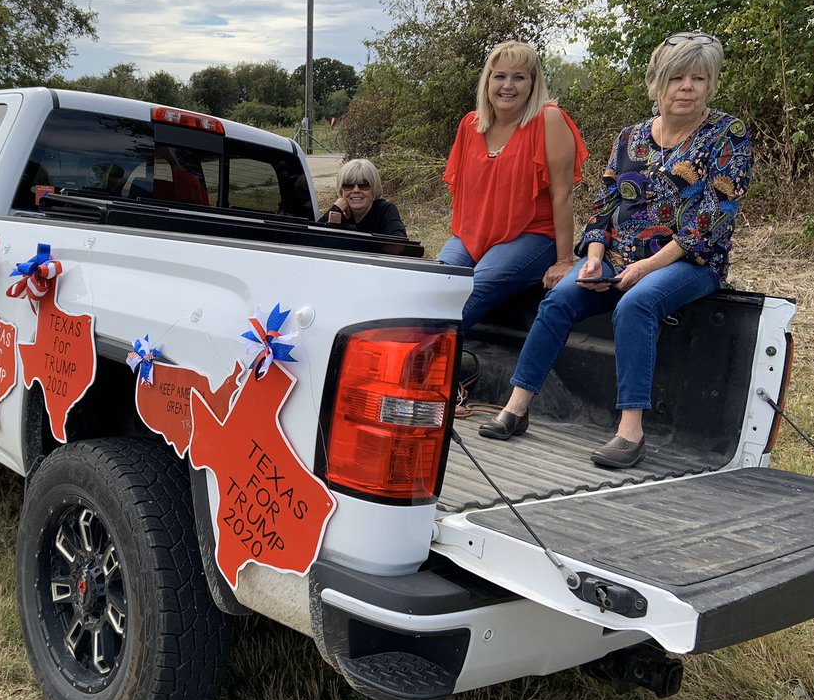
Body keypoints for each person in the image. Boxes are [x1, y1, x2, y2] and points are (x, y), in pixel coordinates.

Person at [478, 31, 752, 469]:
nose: (686, 87)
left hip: (690, 260)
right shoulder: (631, 137)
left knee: (637, 305)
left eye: (698, 79)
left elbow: (712, 219)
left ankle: (630, 432)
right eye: (676, 78)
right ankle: (517, 406)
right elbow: (603, 206)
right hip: (617, 256)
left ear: (710, 85)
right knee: (559, 299)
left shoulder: (727, 134)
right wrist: (591, 257)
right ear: (656, 83)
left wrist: (646, 267)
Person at [437, 41, 588, 332]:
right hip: (474, 236)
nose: (508, 86)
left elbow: (562, 194)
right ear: (487, 81)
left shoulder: (548, 120)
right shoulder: (470, 125)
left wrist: (564, 260)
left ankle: (419, 356)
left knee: (469, 294)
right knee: (433, 285)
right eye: (500, 76)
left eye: (519, 77)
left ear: (533, 83)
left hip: (531, 235)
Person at [318, 158, 407, 237]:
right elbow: (312, 239)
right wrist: (335, 209)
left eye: (363, 185)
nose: (356, 190)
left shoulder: (385, 211)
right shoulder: (338, 214)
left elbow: (399, 244)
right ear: (341, 190)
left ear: (374, 188)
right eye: (348, 185)